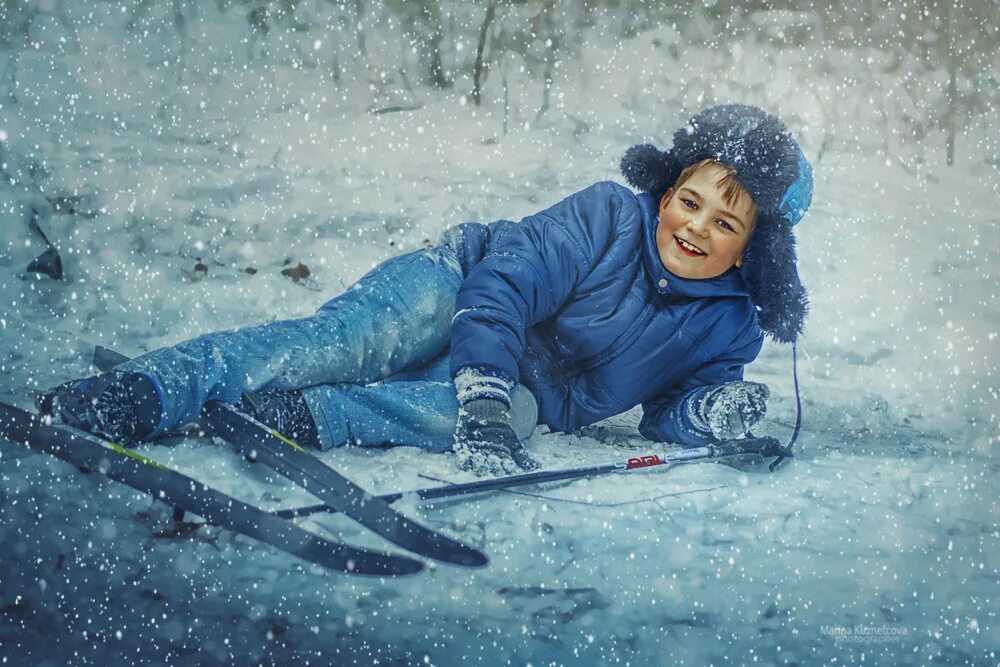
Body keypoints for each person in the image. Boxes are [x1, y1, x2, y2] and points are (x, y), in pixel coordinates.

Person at [38, 104, 813, 476]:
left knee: (491, 416)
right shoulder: (609, 215)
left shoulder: (731, 330)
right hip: (460, 285)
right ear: (667, 186)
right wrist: (481, 385)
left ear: (756, 251)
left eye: (726, 222)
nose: (695, 226)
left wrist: (710, 410)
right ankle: (147, 389)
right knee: (339, 344)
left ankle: (303, 415)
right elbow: (504, 283)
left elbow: (666, 409)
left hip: (528, 386)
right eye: (690, 199)